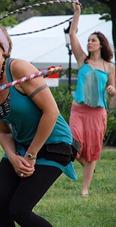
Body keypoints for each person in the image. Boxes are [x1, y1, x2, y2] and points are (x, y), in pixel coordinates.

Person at [0, 23, 77, 227]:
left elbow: (51, 112)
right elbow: (4, 132)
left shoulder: (19, 69)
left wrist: (30, 156)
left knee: (19, 210)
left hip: (53, 144)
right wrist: (14, 158)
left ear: (4, 49)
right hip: (22, 146)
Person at [69, 2, 115, 197]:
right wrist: (77, 13)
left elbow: (113, 93)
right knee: (71, 143)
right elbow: (72, 35)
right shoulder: (83, 60)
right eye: (88, 40)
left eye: (93, 40)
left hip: (98, 113)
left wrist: (113, 90)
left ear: (101, 44)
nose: (89, 43)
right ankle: (86, 164)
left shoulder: (109, 67)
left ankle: (85, 189)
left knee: (93, 150)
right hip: (78, 110)